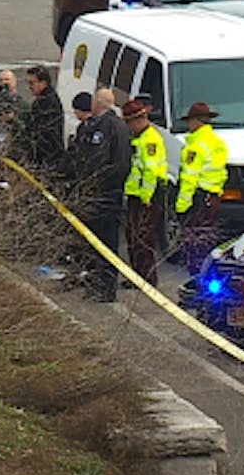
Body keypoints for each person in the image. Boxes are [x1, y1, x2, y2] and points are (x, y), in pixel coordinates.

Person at [65, 88, 132, 302]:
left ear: (97, 104)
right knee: (96, 243)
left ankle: (104, 288)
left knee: (105, 243)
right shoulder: (113, 125)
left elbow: (104, 162)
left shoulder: (108, 127)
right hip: (103, 192)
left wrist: (94, 184)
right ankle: (97, 285)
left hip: (105, 194)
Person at [175, 101, 228, 277]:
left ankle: (197, 283)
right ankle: (210, 281)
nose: (189, 126)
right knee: (208, 242)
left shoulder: (195, 146)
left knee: (194, 245)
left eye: (190, 121)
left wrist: (181, 206)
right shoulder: (217, 142)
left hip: (198, 200)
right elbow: (221, 172)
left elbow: (189, 178)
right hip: (213, 198)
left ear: (197, 122)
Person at [122, 97, 168, 287]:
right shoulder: (139, 138)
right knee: (133, 237)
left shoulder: (150, 140)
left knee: (143, 239)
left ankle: (146, 279)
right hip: (137, 195)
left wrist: (146, 197)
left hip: (147, 197)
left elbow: (150, 172)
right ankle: (137, 277)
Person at [18, 65, 64, 172]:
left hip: (47, 158)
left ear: (43, 83)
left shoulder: (46, 102)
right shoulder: (45, 99)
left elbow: (39, 132)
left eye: (32, 83)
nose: (29, 87)